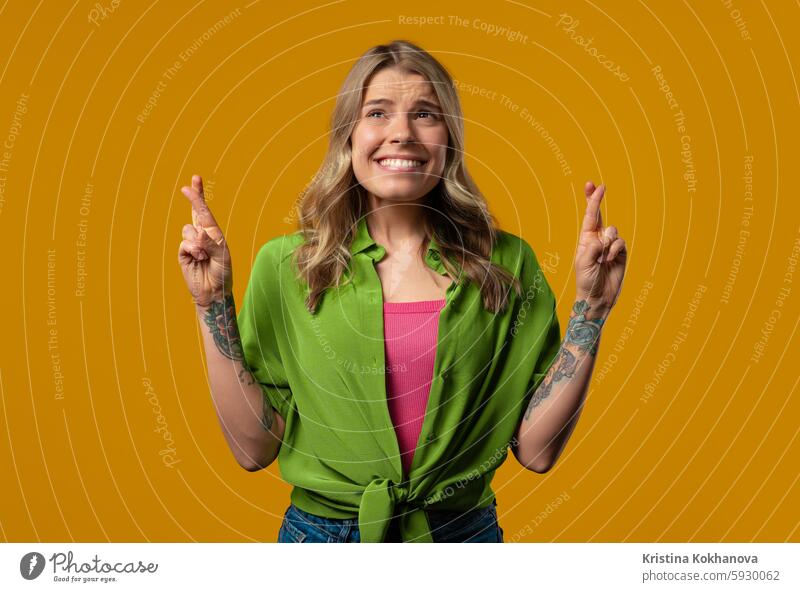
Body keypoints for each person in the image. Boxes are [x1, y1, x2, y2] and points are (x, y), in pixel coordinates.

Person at [177, 40, 627, 543]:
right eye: (377, 112)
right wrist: (211, 303)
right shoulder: (286, 267)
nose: (401, 133)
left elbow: (538, 451)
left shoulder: (505, 266)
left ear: (449, 139)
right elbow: (252, 450)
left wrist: (593, 308)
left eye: (425, 114)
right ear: (348, 137)